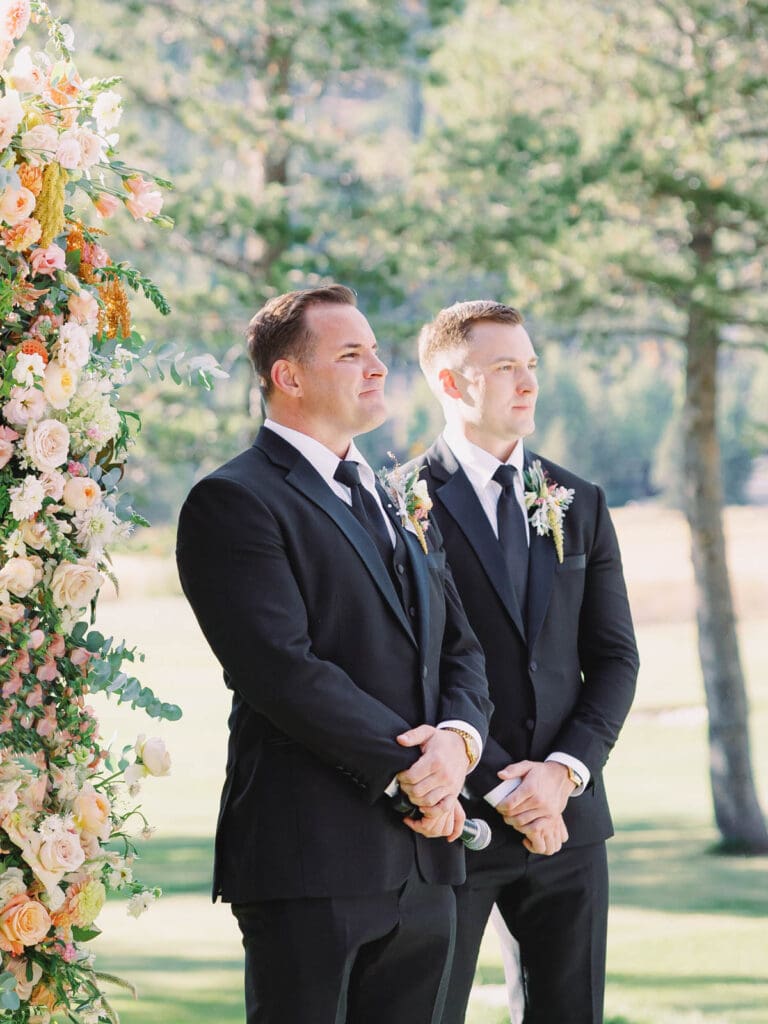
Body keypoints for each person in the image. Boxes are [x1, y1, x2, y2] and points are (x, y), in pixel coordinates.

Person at [175, 285, 492, 1024]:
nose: (377, 367)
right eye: (351, 354)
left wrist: (457, 744)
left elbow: (460, 647)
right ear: (288, 376)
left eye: (376, 352)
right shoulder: (235, 501)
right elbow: (280, 669)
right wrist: (415, 769)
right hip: (311, 856)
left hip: (426, 863)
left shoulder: (390, 496)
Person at [412, 300, 639, 1024]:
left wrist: (564, 772)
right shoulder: (402, 505)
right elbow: (410, 669)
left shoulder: (581, 502)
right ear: (451, 384)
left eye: (531, 365)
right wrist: (507, 789)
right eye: (505, 366)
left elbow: (614, 658)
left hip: (570, 821)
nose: (527, 382)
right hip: (455, 822)